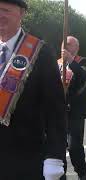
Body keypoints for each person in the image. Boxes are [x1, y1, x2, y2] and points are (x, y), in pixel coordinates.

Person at [0, 0, 66, 179]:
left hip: (25, 158)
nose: (0, 15)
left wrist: (55, 157)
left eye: (5, 10)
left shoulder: (40, 51)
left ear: (22, 13)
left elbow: (56, 109)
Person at [58, 36, 86, 180]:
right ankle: (61, 175)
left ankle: (82, 173)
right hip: (58, 110)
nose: (64, 46)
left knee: (74, 147)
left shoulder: (82, 62)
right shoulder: (57, 63)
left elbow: (82, 75)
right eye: (63, 43)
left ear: (76, 48)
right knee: (58, 146)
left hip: (75, 110)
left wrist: (71, 61)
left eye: (68, 44)